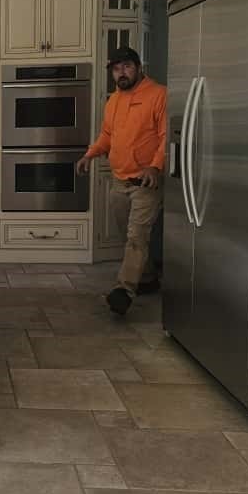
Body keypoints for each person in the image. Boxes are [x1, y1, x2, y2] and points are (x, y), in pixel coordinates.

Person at [76, 46, 166, 315]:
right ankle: (147, 279)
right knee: (127, 234)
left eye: (126, 66)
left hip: (145, 182)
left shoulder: (158, 95)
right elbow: (107, 135)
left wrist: (155, 167)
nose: (121, 73)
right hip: (118, 180)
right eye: (116, 69)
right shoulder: (113, 101)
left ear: (138, 67)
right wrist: (89, 155)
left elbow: (165, 137)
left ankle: (123, 291)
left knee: (136, 236)